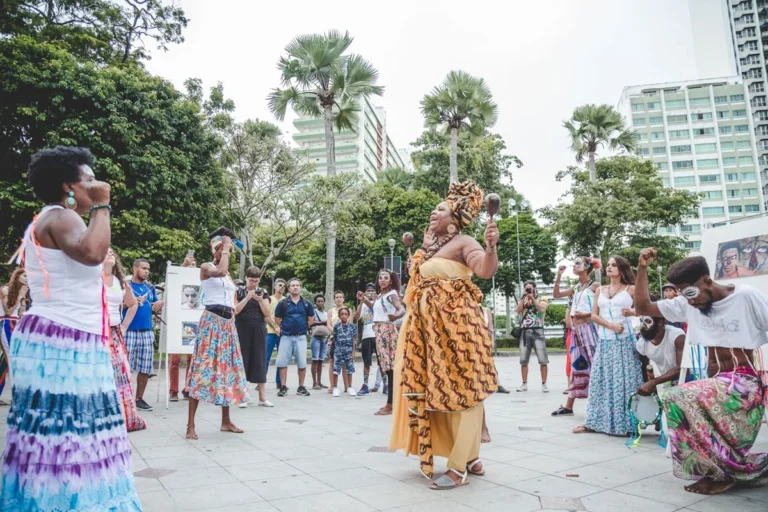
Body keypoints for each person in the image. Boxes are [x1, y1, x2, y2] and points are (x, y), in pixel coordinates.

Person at [1, 146, 141, 510]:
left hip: (56, 336)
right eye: (88, 180)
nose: (94, 185)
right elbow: (94, 253)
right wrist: (103, 204)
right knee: (74, 432)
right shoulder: (61, 218)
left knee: (55, 432)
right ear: (68, 186)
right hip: (66, 340)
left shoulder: (46, 219)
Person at [389, 180, 499, 490]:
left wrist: (491, 247)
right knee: (439, 392)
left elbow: (484, 270)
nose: (433, 212)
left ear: (454, 218)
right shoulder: (429, 248)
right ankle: (470, 456)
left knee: (464, 390)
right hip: (427, 335)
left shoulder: (465, 242)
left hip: (459, 330)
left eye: (440, 209)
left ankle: (458, 467)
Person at [635, 248, 768, 495]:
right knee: (677, 403)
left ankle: (723, 472)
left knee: (677, 395)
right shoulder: (688, 304)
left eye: (692, 292)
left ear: (707, 280)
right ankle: (713, 469)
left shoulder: (745, 296)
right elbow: (642, 305)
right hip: (715, 384)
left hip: (744, 383)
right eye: (684, 294)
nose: (690, 300)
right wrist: (642, 268)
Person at [185, 232, 250, 440]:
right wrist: (227, 246)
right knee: (202, 368)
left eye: (225, 248)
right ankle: (190, 425)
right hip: (211, 322)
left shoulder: (228, 275)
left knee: (227, 369)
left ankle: (225, 421)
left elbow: (231, 299)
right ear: (214, 250)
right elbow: (221, 270)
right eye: (220, 248)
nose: (224, 251)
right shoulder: (207, 267)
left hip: (227, 324)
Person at [573, 255, 643, 436]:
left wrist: (632, 312)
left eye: (614, 265)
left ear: (622, 268)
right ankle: (594, 422)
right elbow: (594, 315)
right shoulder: (600, 290)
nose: (610, 268)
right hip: (605, 341)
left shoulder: (631, 289)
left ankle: (626, 424)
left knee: (625, 382)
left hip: (625, 341)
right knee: (600, 381)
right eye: (609, 265)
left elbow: (644, 310)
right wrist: (611, 326)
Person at [103, 247, 146, 431]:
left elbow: (132, 303)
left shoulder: (120, 282)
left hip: (114, 333)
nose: (110, 253)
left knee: (120, 374)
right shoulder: (91, 280)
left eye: (112, 252)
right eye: (105, 251)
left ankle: (122, 416)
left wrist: (123, 326)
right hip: (95, 333)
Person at [551, 258, 601, 415]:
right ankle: (569, 406)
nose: (574, 266)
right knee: (576, 366)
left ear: (586, 267)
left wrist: (588, 314)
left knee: (594, 365)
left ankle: (598, 404)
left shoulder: (595, 286)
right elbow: (556, 294)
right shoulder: (576, 288)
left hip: (590, 329)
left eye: (578, 264)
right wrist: (559, 275)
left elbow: (602, 307)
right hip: (576, 331)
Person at [123, 257, 163, 411]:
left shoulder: (150, 288)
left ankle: (139, 398)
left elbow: (153, 307)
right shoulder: (126, 286)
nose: (146, 271)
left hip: (146, 331)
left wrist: (159, 304)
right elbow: (117, 305)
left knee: (145, 367)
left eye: (148, 269)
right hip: (129, 331)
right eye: (143, 268)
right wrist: (131, 302)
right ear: (135, 269)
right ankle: (124, 398)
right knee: (124, 367)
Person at [234, 266, 275, 408]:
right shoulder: (238, 291)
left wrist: (259, 300)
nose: (254, 284)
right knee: (242, 360)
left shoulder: (263, 292)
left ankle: (262, 398)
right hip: (242, 327)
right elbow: (236, 310)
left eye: (256, 281)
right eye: (251, 281)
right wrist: (247, 297)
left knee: (260, 360)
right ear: (246, 278)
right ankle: (242, 397)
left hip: (258, 327)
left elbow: (267, 313)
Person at [634, 293, 686, 395]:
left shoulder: (677, 336)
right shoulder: (642, 343)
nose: (642, 326)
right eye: (641, 321)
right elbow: (645, 366)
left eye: (648, 321)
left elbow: (683, 368)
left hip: (688, 381)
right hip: (667, 383)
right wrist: (648, 386)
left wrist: (654, 382)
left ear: (661, 322)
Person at [274, 278, 314, 397]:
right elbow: (277, 318)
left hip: (301, 337)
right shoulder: (283, 303)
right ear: (289, 288)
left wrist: (302, 327)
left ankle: (301, 387)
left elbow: (311, 319)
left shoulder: (307, 303)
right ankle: (283, 386)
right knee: (282, 362)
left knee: (302, 362)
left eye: (297, 285)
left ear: (300, 287)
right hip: (286, 336)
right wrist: (285, 327)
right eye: (293, 285)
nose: (295, 287)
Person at [373, 269, 405, 415]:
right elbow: (377, 312)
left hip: (387, 330)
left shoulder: (391, 294)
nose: (382, 280)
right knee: (386, 368)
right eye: (380, 277)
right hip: (379, 330)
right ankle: (392, 403)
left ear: (391, 281)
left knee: (390, 368)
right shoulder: (381, 296)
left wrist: (395, 316)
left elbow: (401, 309)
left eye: (386, 278)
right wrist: (365, 300)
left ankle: (390, 405)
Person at [169, 253, 196, 401]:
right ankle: (173, 390)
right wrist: (184, 266)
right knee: (175, 359)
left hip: (192, 323)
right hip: (177, 322)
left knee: (192, 359)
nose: (191, 266)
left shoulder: (199, 279)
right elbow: (173, 281)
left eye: (194, 264)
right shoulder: (179, 279)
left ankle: (188, 388)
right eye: (189, 264)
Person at [0, 268, 28, 405]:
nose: (27, 279)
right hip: (6, 323)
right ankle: (17, 395)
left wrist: (23, 300)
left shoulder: (22, 293)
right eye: (25, 276)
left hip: (16, 325)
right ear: (17, 276)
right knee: (13, 360)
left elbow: (21, 315)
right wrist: (20, 296)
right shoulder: (5, 289)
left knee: (5, 362)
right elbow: (8, 310)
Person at [516, 281, 550, 392]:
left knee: (543, 359)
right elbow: (518, 310)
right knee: (523, 360)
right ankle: (524, 384)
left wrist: (533, 298)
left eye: (530, 288)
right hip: (525, 331)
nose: (529, 290)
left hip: (538, 330)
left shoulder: (542, 298)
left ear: (535, 288)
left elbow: (542, 309)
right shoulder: (524, 299)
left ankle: (544, 384)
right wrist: (523, 297)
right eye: (527, 288)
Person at [355, 283, 377, 395]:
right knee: (366, 362)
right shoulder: (363, 304)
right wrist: (360, 302)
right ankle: (365, 384)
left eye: (372, 291)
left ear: (376, 293)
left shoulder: (378, 303)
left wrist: (365, 300)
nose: (370, 293)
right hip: (367, 335)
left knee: (382, 362)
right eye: (368, 290)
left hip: (378, 335)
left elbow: (374, 308)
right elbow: (357, 317)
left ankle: (386, 385)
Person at [331, 307, 357, 397]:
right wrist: (333, 351)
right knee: (336, 370)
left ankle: (350, 387)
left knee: (349, 369)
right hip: (338, 351)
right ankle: (335, 387)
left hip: (349, 351)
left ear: (348, 316)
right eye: (342, 314)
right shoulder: (337, 326)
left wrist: (353, 352)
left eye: (346, 314)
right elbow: (334, 339)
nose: (344, 316)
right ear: (339, 316)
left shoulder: (352, 326)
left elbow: (354, 341)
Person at [266, 278, 285, 388]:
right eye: (280, 285)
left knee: (281, 357)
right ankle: (262, 380)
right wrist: (275, 327)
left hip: (282, 332)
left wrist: (281, 328)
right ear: (275, 287)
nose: (282, 287)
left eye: (283, 286)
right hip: (270, 331)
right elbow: (266, 316)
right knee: (266, 356)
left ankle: (279, 381)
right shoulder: (269, 299)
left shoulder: (285, 300)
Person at [326, 290, 346, 393]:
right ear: (334, 299)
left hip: (345, 339)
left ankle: (347, 386)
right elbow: (328, 324)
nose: (338, 299)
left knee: (344, 363)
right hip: (333, 338)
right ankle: (332, 385)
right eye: (337, 297)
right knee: (332, 362)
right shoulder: (331, 311)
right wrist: (334, 332)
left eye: (340, 297)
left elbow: (349, 323)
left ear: (343, 299)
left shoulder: (348, 310)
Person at [309, 294, 330, 390]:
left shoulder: (326, 313)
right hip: (315, 338)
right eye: (318, 301)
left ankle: (319, 382)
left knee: (321, 361)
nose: (320, 303)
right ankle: (314, 383)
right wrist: (323, 322)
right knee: (315, 360)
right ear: (315, 303)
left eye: (322, 301)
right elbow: (310, 323)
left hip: (324, 338)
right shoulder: (313, 312)